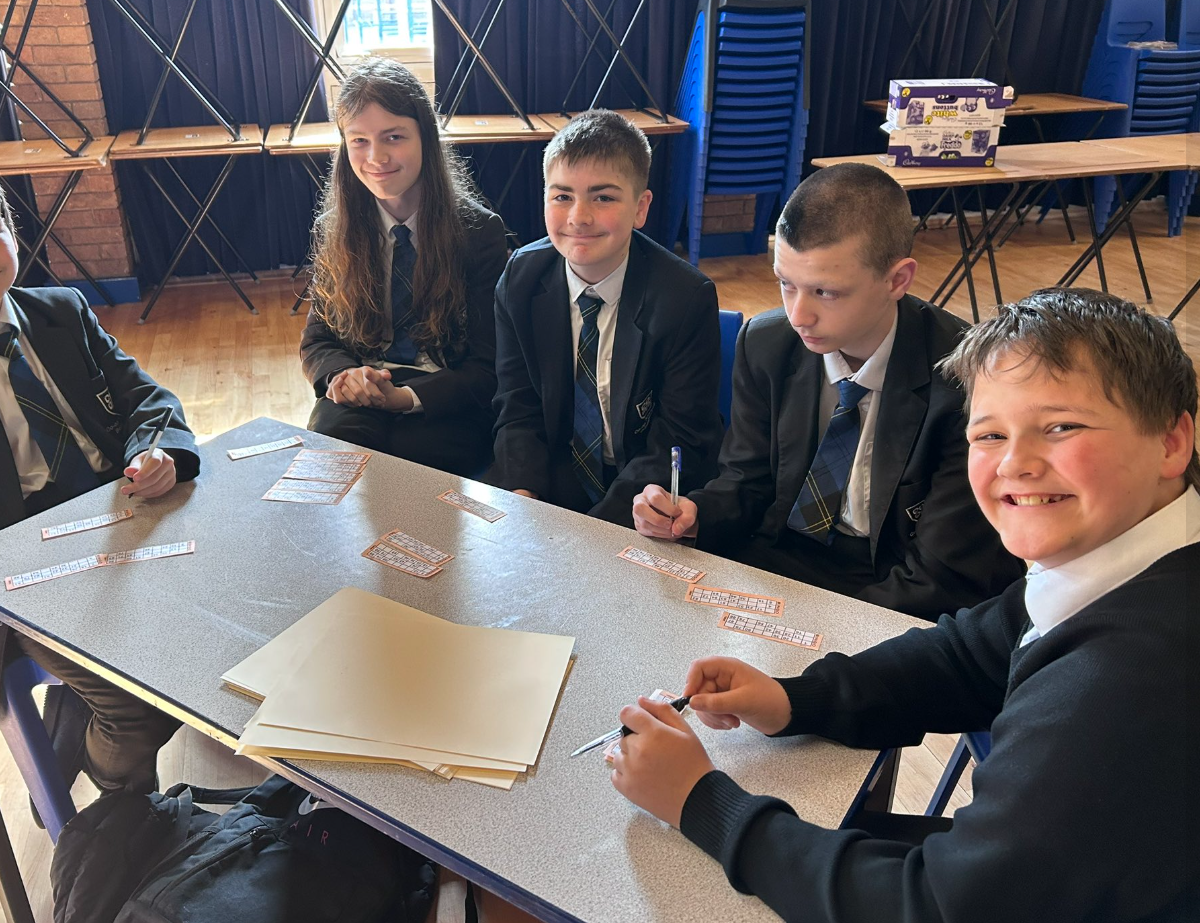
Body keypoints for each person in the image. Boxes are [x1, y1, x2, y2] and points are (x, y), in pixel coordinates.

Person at [612, 288, 1198, 922]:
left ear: (1172, 442)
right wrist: (795, 698)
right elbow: (971, 653)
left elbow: (936, 906)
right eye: (989, 434)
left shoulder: (1133, 678)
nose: (1015, 464)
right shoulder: (1121, 562)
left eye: (1062, 427)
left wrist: (700, 802)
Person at [0, 149, 199, 793]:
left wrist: (159, 450)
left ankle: (81, 735)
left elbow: (147, 399)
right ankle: (121, 817)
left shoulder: (62, 310)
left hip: (117, 516)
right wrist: (16, 565)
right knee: (140, 705)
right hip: (12, 562)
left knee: (229, 622)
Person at [634, 163, 1022, 618]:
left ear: (898, 280)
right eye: (786, 284)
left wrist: (813, 627)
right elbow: (747, 481)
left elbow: (941, 576)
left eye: (826, 292)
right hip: (778, 561)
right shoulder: (767, 343)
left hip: (892, 582)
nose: (799, 315)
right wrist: (694, 515)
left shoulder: (969, 378)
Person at [487, 109, 722, 525]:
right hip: (554, 476)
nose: (579, 217)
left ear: (640, 208)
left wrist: (598, 529)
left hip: (640, 491)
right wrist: (523, 496)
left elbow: (678, 438)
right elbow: (518, 406)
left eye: (604, 198)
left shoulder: (684, 298)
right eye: (562, 196)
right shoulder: (520, 280)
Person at [300, 58, 507, 477]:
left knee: (414, 465)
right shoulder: (332, 229)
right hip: (362, 388)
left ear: (425, 138)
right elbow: (318, 340)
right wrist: (343, 375)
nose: (376, 157)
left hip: (443, 395)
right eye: (359, 140)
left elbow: (487, 367)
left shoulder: (478, 231)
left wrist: (404, 398)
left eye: (393, 137)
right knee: (332, 458)